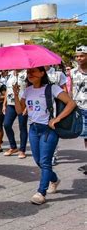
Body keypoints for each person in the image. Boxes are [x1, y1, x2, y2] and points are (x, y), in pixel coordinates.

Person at [13, 66, 76, 205]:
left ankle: (41, 192)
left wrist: (57, 119)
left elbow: (71, 103)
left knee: (45, 162)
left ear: (42, 73)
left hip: (48, 130)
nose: (30, 74)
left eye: (33, 71)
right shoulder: (27, 90)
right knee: (38, 161)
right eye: (28, 72)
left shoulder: (52, 88)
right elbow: (19, 110)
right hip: (34, 129)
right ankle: (54, 179)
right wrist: (16, 95)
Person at [2, 70, 28, 158]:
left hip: (22, 104)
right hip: (10, 104)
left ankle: (22, 150)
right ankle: (13, 147)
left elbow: (30, 89)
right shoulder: (9, 74)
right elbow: (7, 90)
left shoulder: (26, 73)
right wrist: (4, 104)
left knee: (22, 127)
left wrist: (27, 106)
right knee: (6, 124)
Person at [71, 46, 87, 174]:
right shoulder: (72, 72)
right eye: (77, 56)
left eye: (81, 55)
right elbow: (71, 89)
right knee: (85, 137)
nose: (79, 58)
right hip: (79, 108)